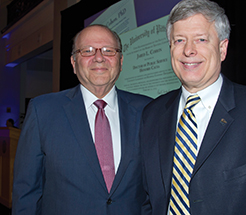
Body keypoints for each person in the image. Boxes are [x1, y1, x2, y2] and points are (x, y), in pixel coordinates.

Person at [140, 0, 246, 214]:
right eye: (179, 40)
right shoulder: (152, 114)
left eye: (201, 39)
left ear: (222, 48)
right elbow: (148, 200)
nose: (189, 50)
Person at [12, 24, 152, 215]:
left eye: (108, 51)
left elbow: (154, 189)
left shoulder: (148, 110)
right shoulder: (42, 111)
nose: (99, 57)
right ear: (73, 62)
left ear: (120, 60)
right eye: (87, 51)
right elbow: (26, 191)